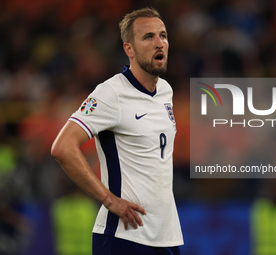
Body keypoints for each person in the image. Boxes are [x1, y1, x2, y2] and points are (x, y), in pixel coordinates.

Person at [51, 7, 183, 255]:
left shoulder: (166, 91)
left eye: (163, 35)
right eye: (148, 37)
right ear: (129, 49)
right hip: (124, 237)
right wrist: (108, 200)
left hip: (166, 236)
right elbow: (63, 147)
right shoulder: (111, 93)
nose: (159, 43)